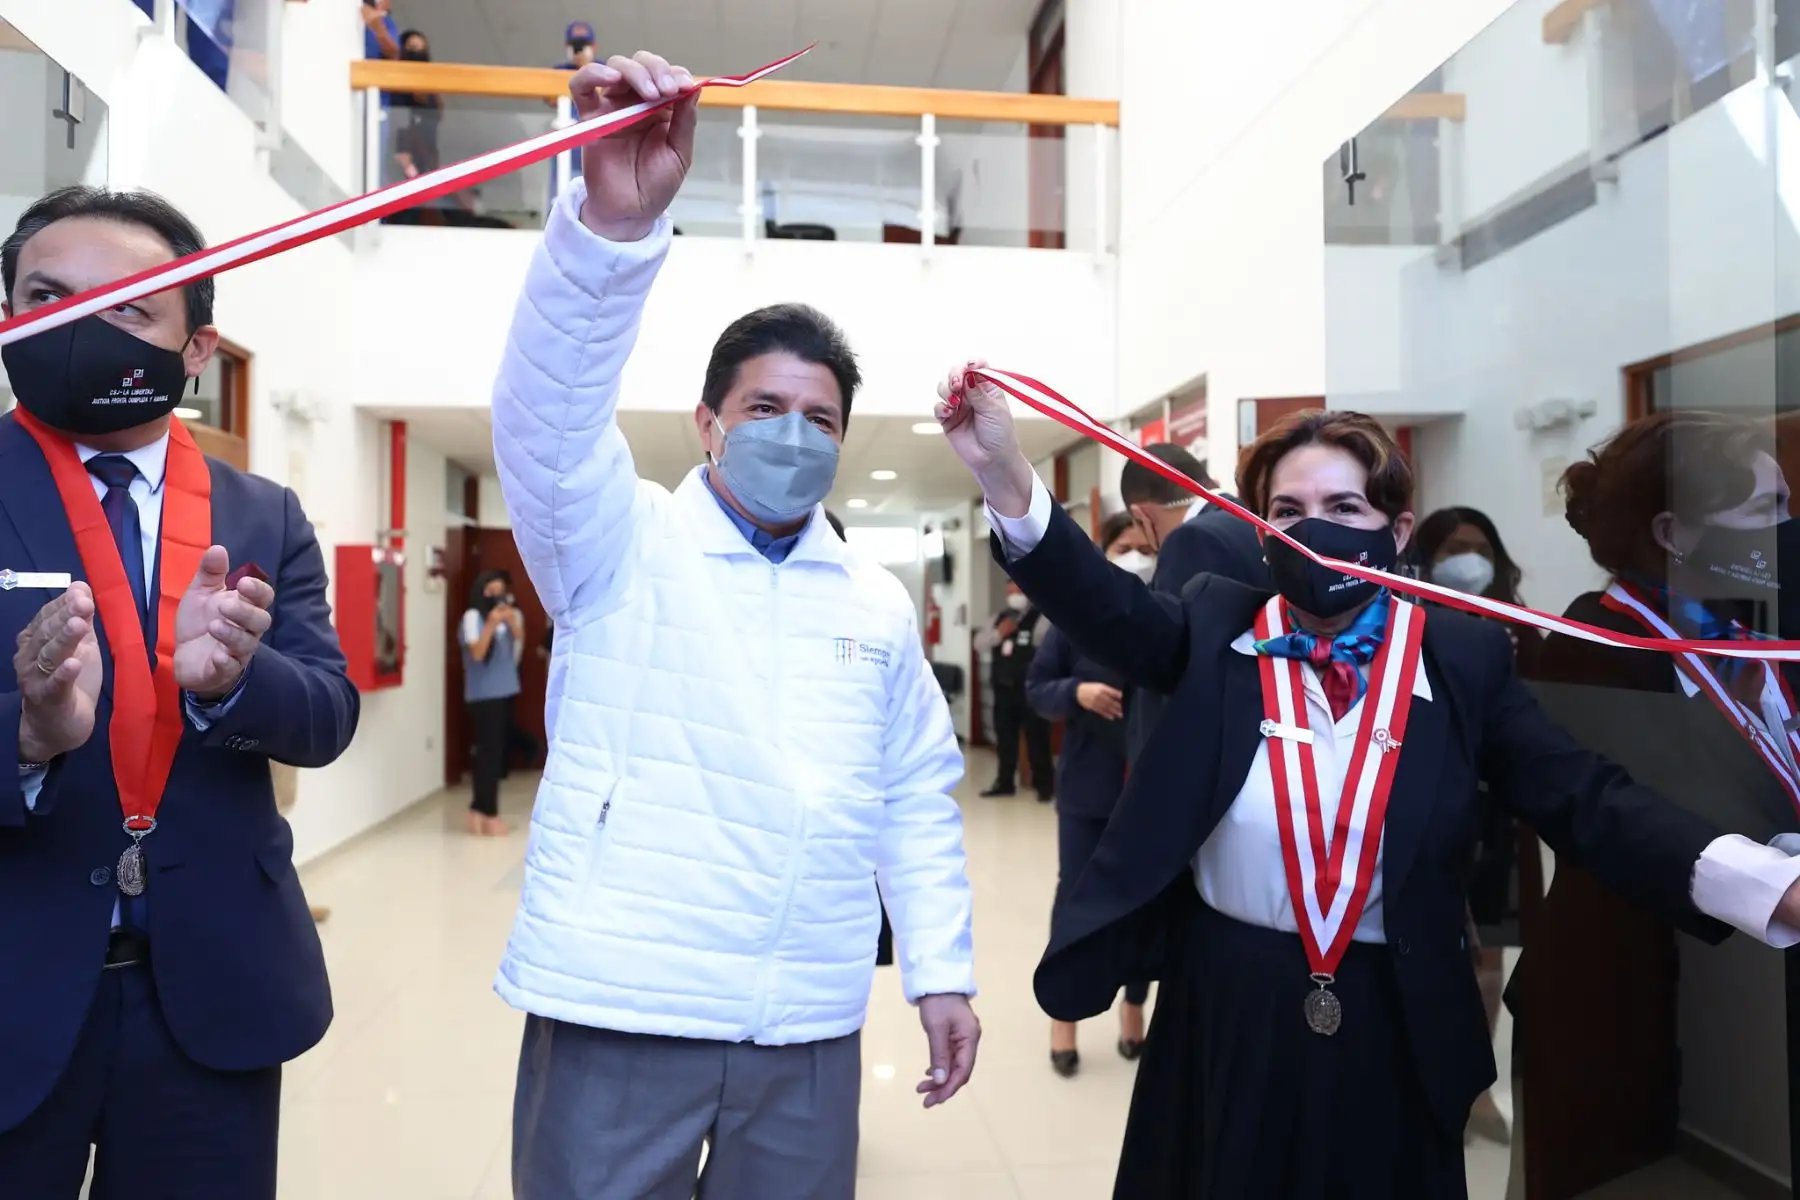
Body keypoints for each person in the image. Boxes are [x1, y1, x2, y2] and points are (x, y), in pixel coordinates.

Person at [934, 370, 1800, 1199]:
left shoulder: (1459, 660)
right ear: (1262, 529)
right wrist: (1003, 468)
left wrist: (1768, 883)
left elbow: (1587, 798)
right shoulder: (1213, 627)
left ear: (1397, 529)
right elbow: (1097, 602)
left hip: (1398, 1009)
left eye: (1345, 507)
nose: (1316, 530)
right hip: (1226, 1004)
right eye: (1288, 511)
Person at [492, 53, 979, 1200]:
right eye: (766, 408)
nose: (794, 435)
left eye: (821, 419)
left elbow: (914, 792)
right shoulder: (618, 545)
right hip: (623, 1001)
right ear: (709, 421)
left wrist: (941, 971)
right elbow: (546, 413)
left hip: (804, 1020)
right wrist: (612, 228)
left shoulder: (871, 599)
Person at [0, 187, 358, 1197]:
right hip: (14, 978)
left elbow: (328, 714)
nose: (78, 324)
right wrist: (27, 736)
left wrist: (238, 685)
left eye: (127, 306)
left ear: (195, 348)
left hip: (212, 991)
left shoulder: (261, 512)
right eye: (46, 296)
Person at [1407, 504, 1539, 1143]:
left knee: (1488, 957)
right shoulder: (1403, 625)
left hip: (1501, 819)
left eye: (1478, 546)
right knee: (1436, 950)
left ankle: (1478, 1091)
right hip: (1430, 812)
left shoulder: (1521, 629)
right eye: (1453, 546)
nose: (1468, 558)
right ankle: (1427, 1082)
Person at [1026, 512, 1152, 1077]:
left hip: (1150, 785)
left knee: (1145, 903)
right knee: (1074, 899)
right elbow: (1038, 691)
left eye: (1142, 546)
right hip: (1087, 785)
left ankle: (1134, 1008)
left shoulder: (1172, 615)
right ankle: (1065, 1015)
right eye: (1122, 548)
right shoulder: (1071, 621)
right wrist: (1078, 691)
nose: (1134, 557)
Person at [1120, 443, 1270, 767]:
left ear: (1141, 514)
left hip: (1206, 754)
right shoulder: (1250, 519)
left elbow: (1174, 659)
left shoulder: (1191, 540)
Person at [977, 580, 1054, 800]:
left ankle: (1044, 786)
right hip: (1004, 689)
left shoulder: (1042, 619)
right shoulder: (998, 618)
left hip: (1032, 690)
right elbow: (979, 643)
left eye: (1019, 590)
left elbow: (1049, 647)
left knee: (1038, 738)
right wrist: (998, 634)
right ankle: (1004, 782)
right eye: (1011, 590)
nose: (1014, 595)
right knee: (1005, 738)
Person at [461, 568, 523, 837]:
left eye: (501, 590)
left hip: (504, 691)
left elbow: (519, 640)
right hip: (483, 695)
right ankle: (488, 814)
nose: (496, 596)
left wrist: (509, 621)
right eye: (491, 590)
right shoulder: (473, 616)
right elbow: (477, 652)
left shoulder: (510, 614)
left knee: (493, 754)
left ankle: (479, 812)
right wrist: (491, 624)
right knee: (488, 756)